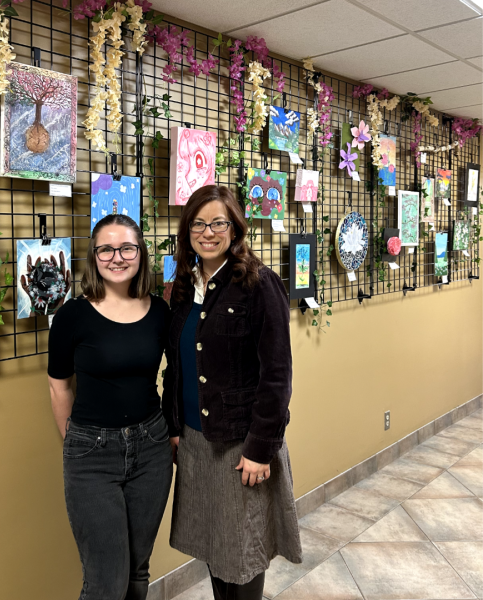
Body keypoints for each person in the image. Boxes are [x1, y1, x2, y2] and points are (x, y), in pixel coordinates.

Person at [163, 185, 302, 600]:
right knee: (214, 550)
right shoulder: (185, 289)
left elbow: (277, 376)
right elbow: (177, 365)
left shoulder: (260, 285)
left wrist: (260, 448)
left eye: (218, 223)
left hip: (239, 447)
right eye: (198, 224)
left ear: (235, 228)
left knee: (241, 560)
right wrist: (173, 425)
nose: (208, 232)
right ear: (187, 231)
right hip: (193, 443)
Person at [47, 214, 173, 600]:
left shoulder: (160, 312)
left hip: (152, 448)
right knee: (106, 583)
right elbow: (58, 387)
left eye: (127, 248)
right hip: (91, 454)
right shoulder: (71, 316)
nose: (117, 257)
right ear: (94, 255)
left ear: (141, 254)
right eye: (106, 248)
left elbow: (180, 373)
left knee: (137, 572)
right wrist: (78, 443)